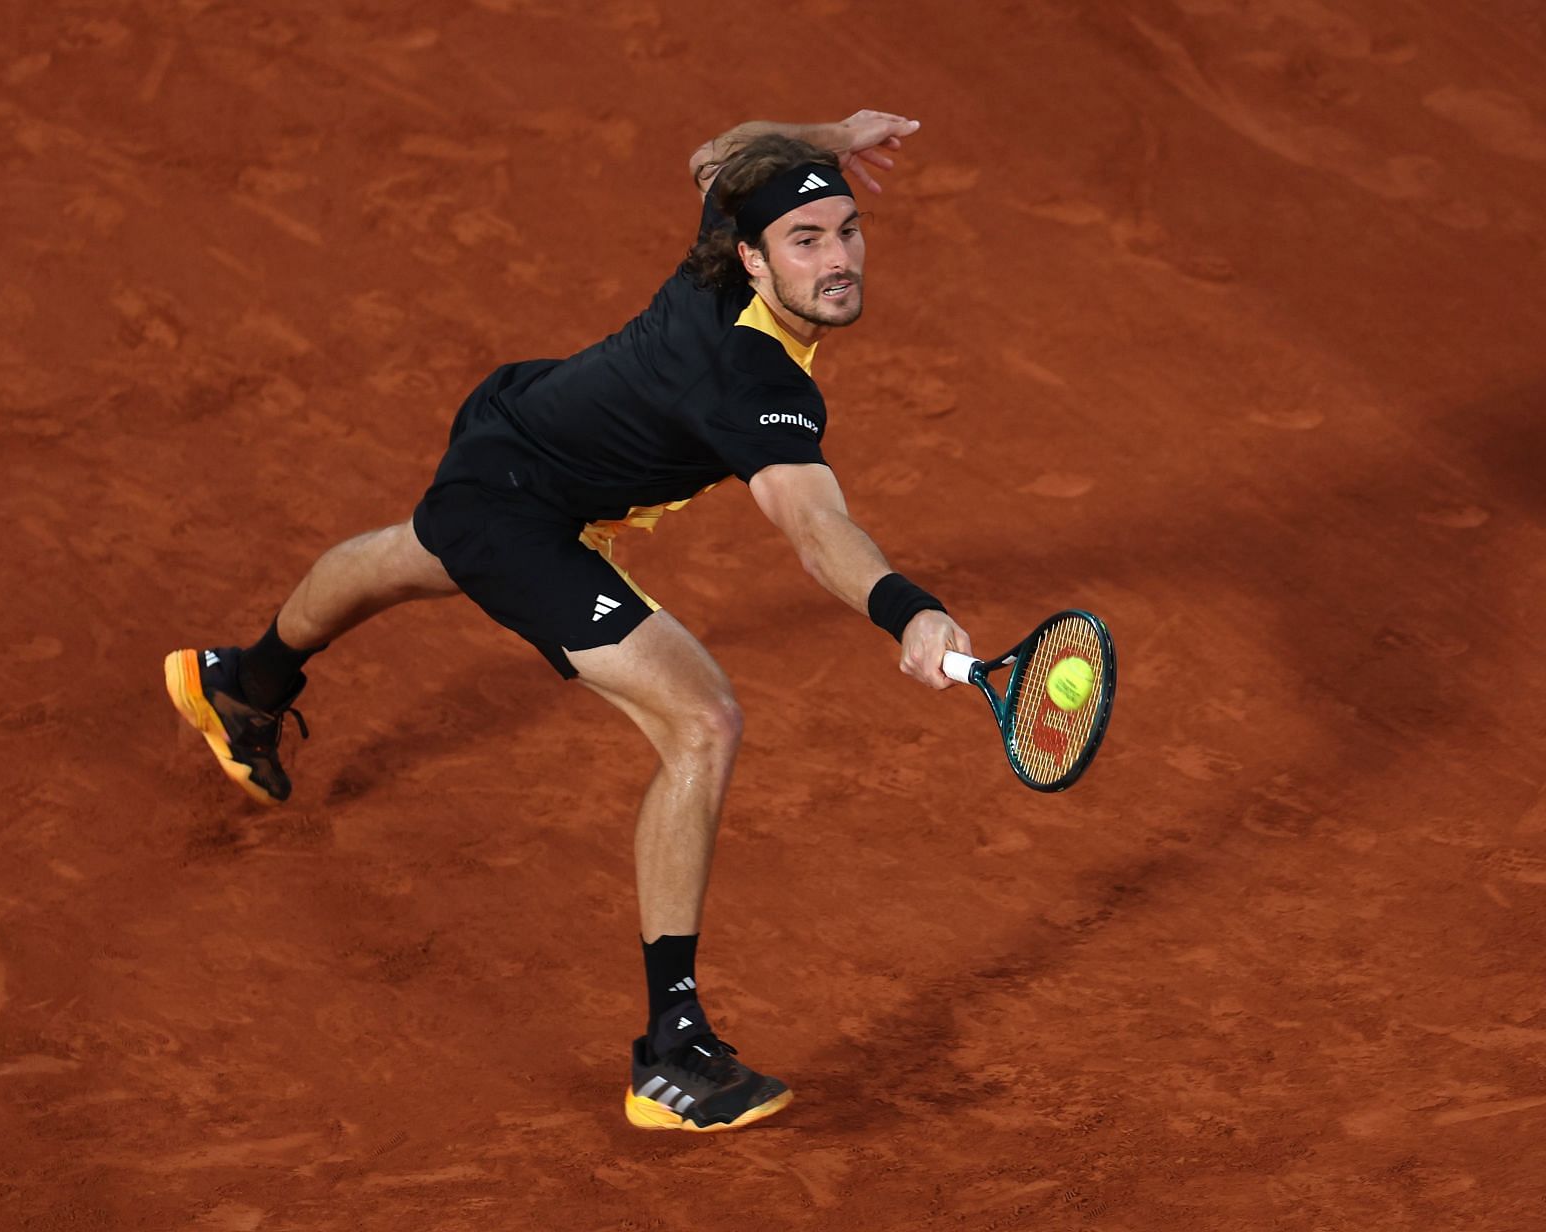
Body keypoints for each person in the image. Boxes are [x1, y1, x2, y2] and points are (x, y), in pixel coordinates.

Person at [164, 110, 973, 1133]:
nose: (840, 257)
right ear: (752, 262)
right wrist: (907, 609)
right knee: (701, 719)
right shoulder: (753, 378)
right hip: (522, 511)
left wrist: (818, 140)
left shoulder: (723, 248)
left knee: (418, 550)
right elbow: (814, 522)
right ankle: (670, 1053)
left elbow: (713, 153)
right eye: (808, 241)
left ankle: (245, 680)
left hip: (513, 426)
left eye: (847, 229)